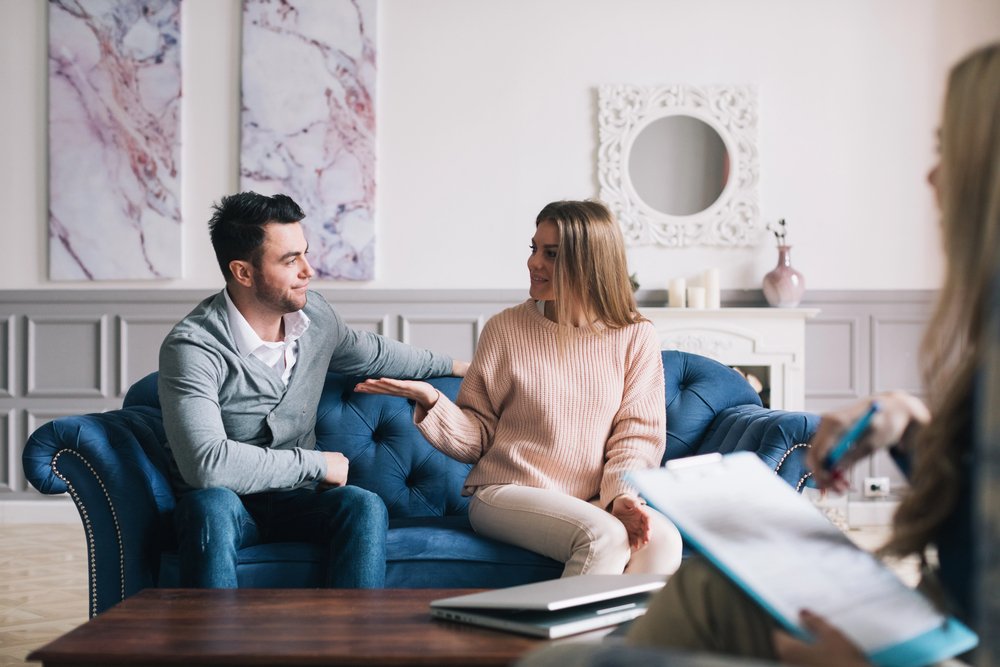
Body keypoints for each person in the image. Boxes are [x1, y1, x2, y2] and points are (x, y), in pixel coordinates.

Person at [620, 41, 1000, 665]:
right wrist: (910, 422)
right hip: (941, 631)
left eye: (947, 152)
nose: (932, 178)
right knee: (707, 582)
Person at [356, 199, 683, 577]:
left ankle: (624, 638)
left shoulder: (634, 336)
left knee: (663, 539)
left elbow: (637, 436)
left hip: (591, 500)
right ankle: (572, 639)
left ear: (589, 263)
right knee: (604, 538)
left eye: (552, 253)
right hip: (505, 493)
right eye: (534, 248)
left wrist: (622, 497)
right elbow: (478, 438)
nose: (534, 262)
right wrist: (431, 400)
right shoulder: (505, 329)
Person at [159, 191, 468, 589]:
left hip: (299, 502)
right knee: (211, 506)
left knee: (362, 504)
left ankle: (350, 645)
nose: (308, 270)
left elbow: (373, 352)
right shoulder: (193, 346)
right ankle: (218, 648)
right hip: (229, 505)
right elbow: (207, 465)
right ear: (243, 272)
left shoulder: (314, 317)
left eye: (304, 254)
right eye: (290, 260)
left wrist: (462, 367)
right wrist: (317, 464)